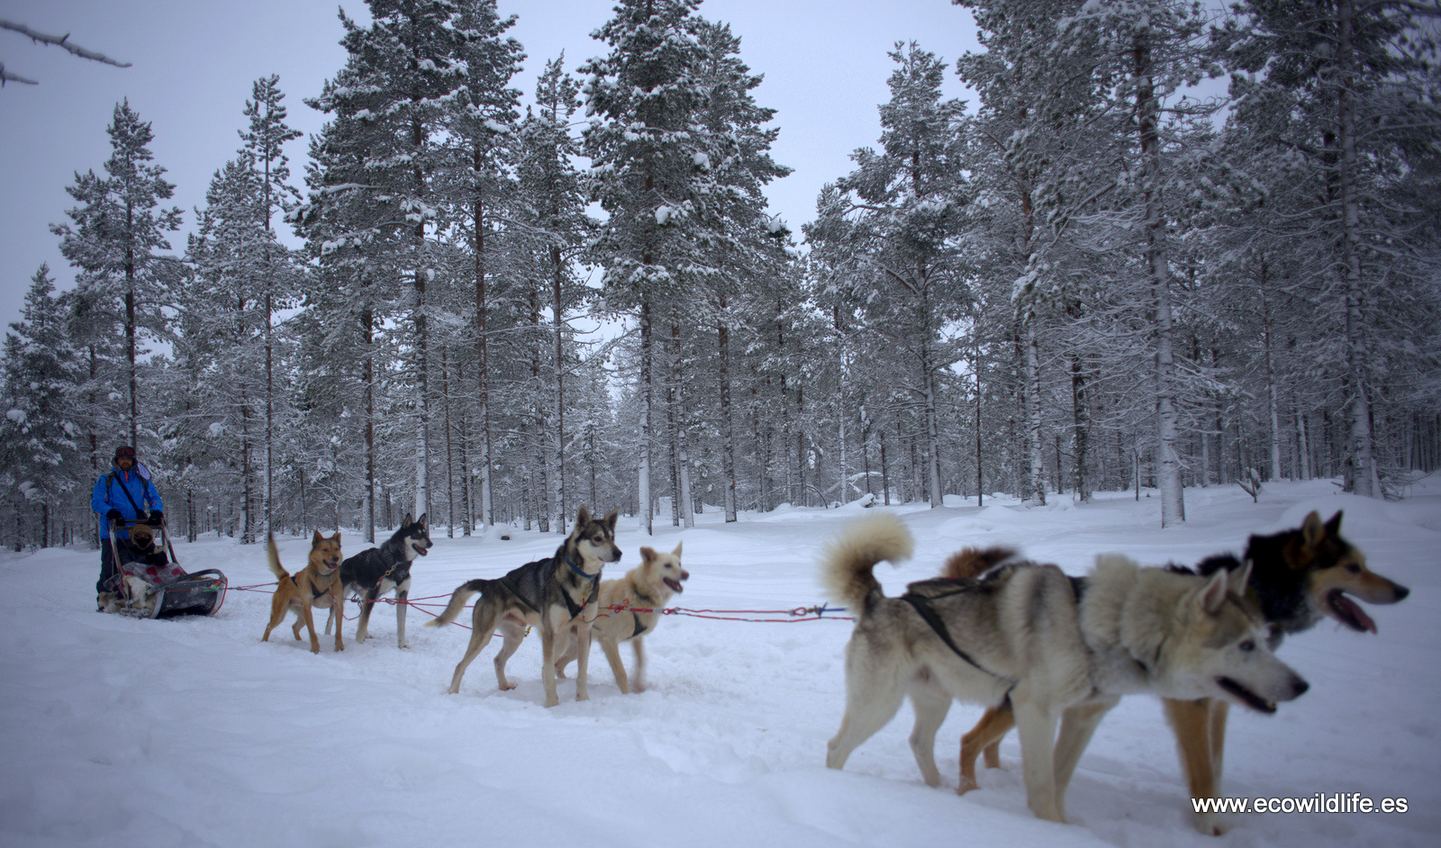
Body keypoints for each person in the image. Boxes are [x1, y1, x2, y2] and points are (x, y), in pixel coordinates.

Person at [92, 445, 164, 610]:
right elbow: (96, 501)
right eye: (122, 459)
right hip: (112, 532)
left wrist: (156, 512)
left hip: (134, 533)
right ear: (117, 460)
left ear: (133, 461)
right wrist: (110, 512)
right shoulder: (106, 479)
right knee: (110, 567)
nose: (125, 461)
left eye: (128, 459)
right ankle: (105, 600)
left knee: (140, 565)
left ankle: (139, 595)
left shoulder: (141, 481)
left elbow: (154, 497)